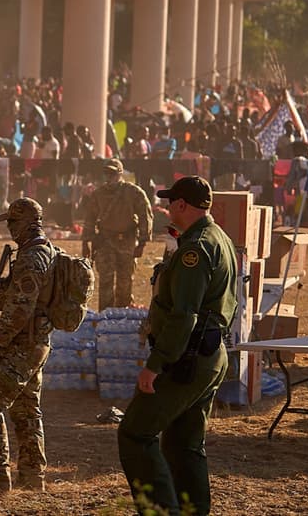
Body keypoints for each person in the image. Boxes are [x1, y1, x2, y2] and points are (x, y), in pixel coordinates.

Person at [118, 176, 236, 516]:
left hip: (186, 358)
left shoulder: (195, 248)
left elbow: (185, 314)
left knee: (135, 434)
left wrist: (155, 364)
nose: (168, 208)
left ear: (183, 205)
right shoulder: (218, 238)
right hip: (208, 354)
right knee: (183, 444)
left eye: (172, 202)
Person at [0, 197, 56, 493]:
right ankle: (32, 476)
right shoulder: (36, 251)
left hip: (23, 344)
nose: (10, 229)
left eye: (14, 223)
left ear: (30, 223)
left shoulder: (32, 257)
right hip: (31, 341)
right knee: (26, 409)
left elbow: (20, 309)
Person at [82, 159, 154, 309]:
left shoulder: (133, 192)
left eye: (113, 173)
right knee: (105, 281)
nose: (109, 177)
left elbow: (145, 215)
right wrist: (85, 243)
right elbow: (89, 218)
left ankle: (122, 315)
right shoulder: (98, 194)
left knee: (125, 281)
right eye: (107, 173)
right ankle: (105, 316)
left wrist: (142, 243)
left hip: (127, 241)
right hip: (105, 241)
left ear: (120, 174)